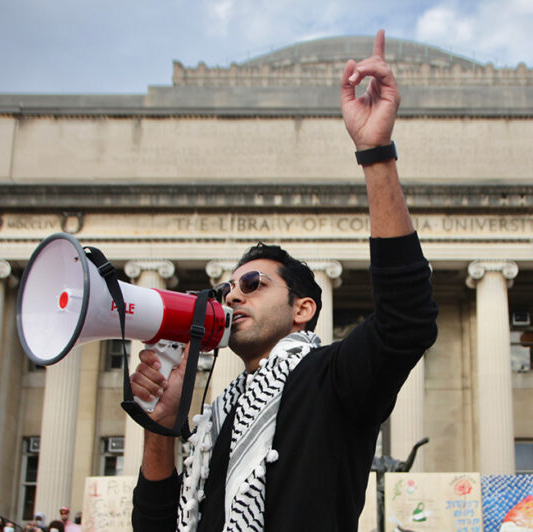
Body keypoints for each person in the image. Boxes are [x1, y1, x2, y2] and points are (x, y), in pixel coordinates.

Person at [129, 29, 439, 532]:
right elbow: (157, 526)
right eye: (229, 288)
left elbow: (407, 320)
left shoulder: (333, 381)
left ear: (303, 310)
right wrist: (160, 426)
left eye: (254, 284)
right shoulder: (216, 420)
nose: (233, 296)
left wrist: (375, 153)